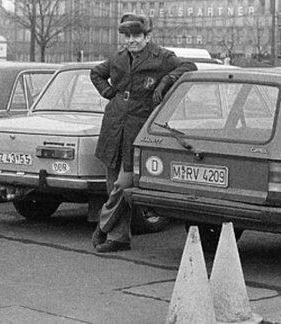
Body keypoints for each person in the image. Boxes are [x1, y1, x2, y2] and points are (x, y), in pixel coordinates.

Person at [90, 13, 197, 253]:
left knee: (124, 182)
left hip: (139, 124)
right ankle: (119, 238)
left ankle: (102, 226)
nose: (131, 41)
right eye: (127, 36)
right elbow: (96, 73)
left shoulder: (161, 57)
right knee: (112, 182)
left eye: (136, 35)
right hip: (114, 122)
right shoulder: (118, 58)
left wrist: (164, 82)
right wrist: (109, 93)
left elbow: (189, 67)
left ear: (147, 36)